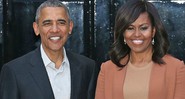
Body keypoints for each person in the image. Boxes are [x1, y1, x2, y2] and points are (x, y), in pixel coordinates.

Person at [0, 0, 99, 99]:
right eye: (47, 23)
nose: (55, 30)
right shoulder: (15, 71)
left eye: (61, 22)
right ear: (36, 28)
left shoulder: (88, 67)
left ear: (70, 27)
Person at [95, 0, 185, 99]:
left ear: (153, 31)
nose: (137, 34)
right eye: (130, 28)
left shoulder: (176, 68)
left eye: (143, 28)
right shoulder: (107, 69)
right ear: (123, 33)